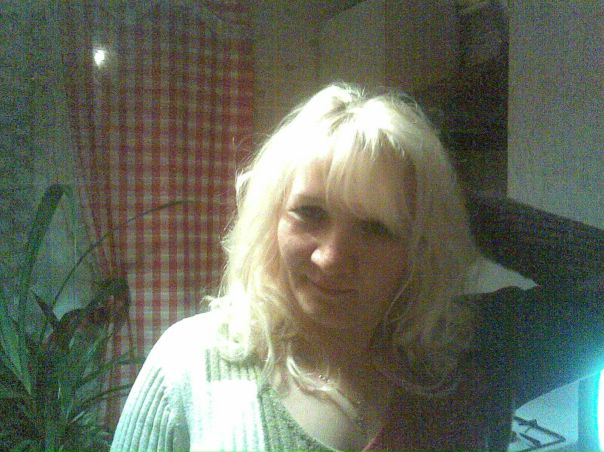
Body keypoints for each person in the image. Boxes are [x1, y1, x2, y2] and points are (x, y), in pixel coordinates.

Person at [110, 84, 604, 452]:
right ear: (269, 218)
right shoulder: (191, 365)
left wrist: (443, 205)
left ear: (418, 245)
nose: (330, 257)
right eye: (309, 213)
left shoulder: (466, 356)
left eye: (376, 228)